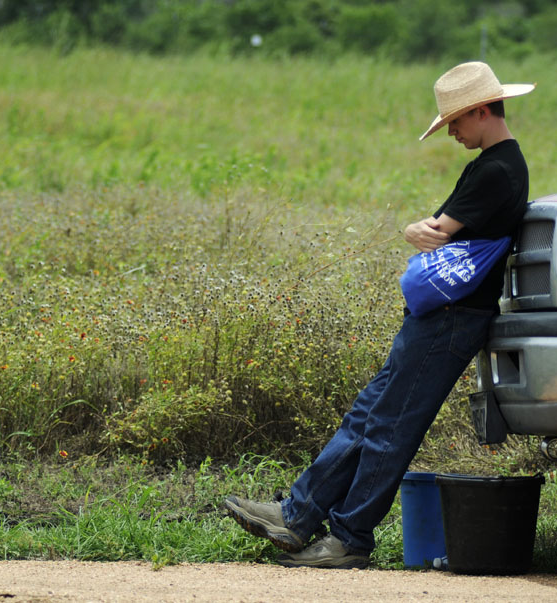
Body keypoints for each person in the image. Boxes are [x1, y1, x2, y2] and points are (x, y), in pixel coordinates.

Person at [224, 61, 534, 569]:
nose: (451, 131)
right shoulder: (495, 164)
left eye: (455, 120)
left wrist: (417, 229)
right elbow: (437, 231)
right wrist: (423, 230)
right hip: (443, 315)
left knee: (390, 423)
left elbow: (434, 231)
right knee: (369, 414)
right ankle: (298, 515)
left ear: (482, 110)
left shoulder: (497, 169)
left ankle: (349, 538)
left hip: (453, 316)